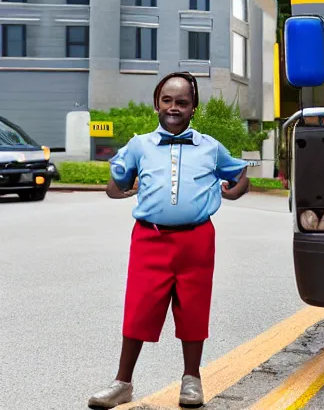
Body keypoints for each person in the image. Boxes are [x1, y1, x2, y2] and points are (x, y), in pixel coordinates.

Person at [88, 71, 249, 409]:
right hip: (150, 238)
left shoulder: (211, 148)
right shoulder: (139, 145)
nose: (174, 107)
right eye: (167, 100)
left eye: (182, 102)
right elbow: (115, 184)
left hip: (197, 239)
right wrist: (121, 189)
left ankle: (191, 380)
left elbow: (240, 175)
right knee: (138, 307)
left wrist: (234, 191)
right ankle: (122, 382)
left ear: (194, 108)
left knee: (193, 308)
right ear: (156, 104)